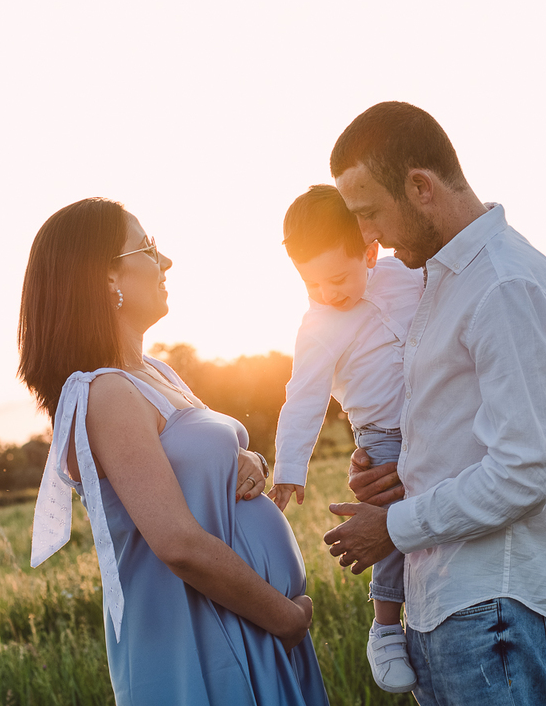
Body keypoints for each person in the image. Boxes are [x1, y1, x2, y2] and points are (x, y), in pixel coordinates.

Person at [320, 102, 546, 705]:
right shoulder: (443, 281)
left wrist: (392, 526)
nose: (367, 236)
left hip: (499, 609)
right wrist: (401, 476)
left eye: (370, 212)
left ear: (420, 187)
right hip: (454, 604)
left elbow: (522, 474)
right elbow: (466, 441)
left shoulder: (503, 285)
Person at [20, 197, 329, 706]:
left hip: (246, 626)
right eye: (148, 247)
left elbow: (204, 459)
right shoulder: (105, 394)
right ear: (106, 278)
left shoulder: (157, 373)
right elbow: (177, 543)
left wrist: (249, 462)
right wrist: (284, 617)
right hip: (203, 641)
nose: (165, 262)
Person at [268, 184, 424, 694]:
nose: (328, 295)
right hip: (382, 437)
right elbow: (303, 398)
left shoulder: (406, 275)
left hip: (437, 419)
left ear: (369, 249)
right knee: (387, 521)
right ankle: (385, 627)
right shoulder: (318, 327)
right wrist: (290, 467)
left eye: (336, 278)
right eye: (312, 285)